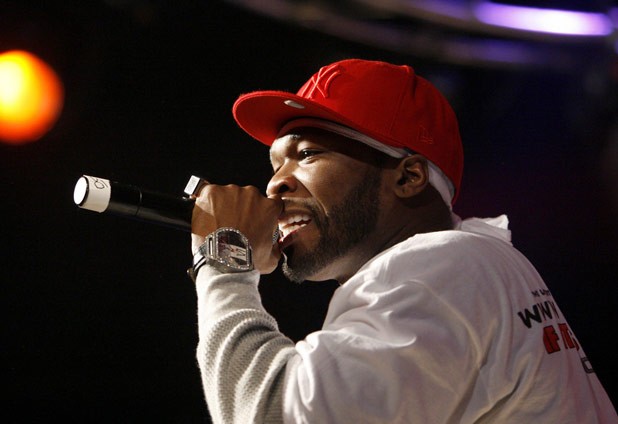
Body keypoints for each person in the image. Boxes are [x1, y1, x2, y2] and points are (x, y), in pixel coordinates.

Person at [188, 59, 617, 423]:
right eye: (276, 164)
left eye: (307, 155)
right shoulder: (474, 263)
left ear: (408, 177)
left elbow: (278, 414)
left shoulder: (440, 267)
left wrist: (226, 259)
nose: (275, 185)